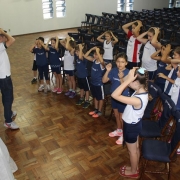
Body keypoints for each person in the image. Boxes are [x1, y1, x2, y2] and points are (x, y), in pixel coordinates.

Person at [111, 67, 148, 179]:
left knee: (132, 151)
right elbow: (126, 82)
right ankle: (135, 166)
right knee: (135, 148)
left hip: (131, 127)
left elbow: (114, 95)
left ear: (136, 82)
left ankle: (133, 172)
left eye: (130, 80)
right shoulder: (140, 91)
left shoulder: (137, 99)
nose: (128, 82)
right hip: (134, 125)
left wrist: (127, 81)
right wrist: (130, 76)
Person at [102, 52, 130, 144]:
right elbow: (104, 80)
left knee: (122, 118)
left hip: (123, 98)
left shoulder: (129, 73)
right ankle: (119, 130)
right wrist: (107, 70)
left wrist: (121, 78)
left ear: (126, 63)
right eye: (118, 61)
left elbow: (125, 87)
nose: (119, 64)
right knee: (116, 115)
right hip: (114, 97)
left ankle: (124, 135)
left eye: (122, 62)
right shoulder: (114, 70)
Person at [0, 28, 19, 129]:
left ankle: (9, 113)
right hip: (4, 78)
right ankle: (8, 121)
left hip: (3, 77)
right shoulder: (0, 47)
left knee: (6, 97)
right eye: (3, 37)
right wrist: (2, 32)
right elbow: (12, 40)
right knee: (8, 98)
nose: (5, 38)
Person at [84, 46, 105, 118]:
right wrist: (91, 49)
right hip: (93, 83)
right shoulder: (93, 60)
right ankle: (96, 109)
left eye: (96, 54)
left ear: (101, 55)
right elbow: (85, 56)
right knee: (95, 97)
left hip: (99, 84)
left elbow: (101, 61)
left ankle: (99, 111)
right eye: (94, 54)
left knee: (100, 98)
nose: (94, 55)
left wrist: (98, 51)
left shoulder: (102, 64)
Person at [74, 44, 90, 108]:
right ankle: (81, 98)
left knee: (86, 89)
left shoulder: (83, 58)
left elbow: (81, 57)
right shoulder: (77, 57)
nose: (76, 53)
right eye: (76, 51)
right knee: (81, 88)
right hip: (79, 76)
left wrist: (80, 48)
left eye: (77, 51)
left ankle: (87, 100)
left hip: (84, 76)